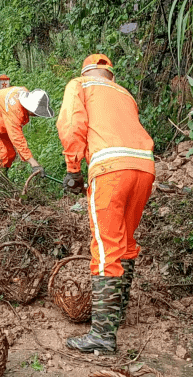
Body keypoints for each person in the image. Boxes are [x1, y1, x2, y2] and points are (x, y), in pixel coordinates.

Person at [56, 54, 156, 353]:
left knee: (104, 246)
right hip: (144, 168)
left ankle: (102, 335)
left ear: (86, 72)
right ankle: (115, 318)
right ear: (110, 76)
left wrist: (73, 169)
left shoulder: (80, 85)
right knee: (125, 242)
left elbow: (72, 124)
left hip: (110, 168)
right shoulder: (124, 94)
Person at [0, 86, 54, 177]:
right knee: (0, 155)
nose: (37, 115)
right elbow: (16, 137)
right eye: (36, 112)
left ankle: (3, 177)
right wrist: (33, 162)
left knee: (10, 154)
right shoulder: (15, 110)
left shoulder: (24, 95)